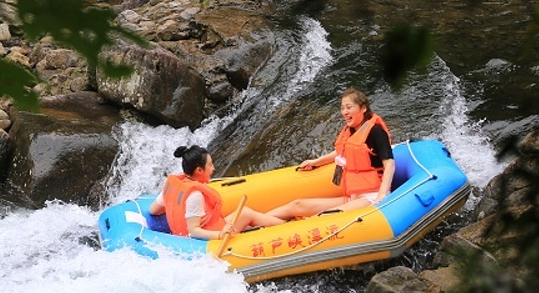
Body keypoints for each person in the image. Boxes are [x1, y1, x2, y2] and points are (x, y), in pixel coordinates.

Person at [269, 88, 395, 220]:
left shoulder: (376, 132)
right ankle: (253, 222)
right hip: (353, 196)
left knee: (322, 217)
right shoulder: (350, 131)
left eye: (349, 107)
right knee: (297, 205)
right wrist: (316, 162)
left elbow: (390, 164)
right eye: (342, 108)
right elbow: (341, 152)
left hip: (371, 196)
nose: (344, 112)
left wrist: (381, 196)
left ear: (363, 108)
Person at [149, 145, 286, 240]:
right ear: (199, 170)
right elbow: (193, 231)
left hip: (192, 234)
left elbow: (153, 210)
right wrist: (220, 234)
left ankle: (281, 222)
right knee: (246, 214)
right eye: (210, 165)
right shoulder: (195, 195)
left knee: (245, 213)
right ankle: (288, 228)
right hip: (205, 241)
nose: (213, 168)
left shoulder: (175, 185)